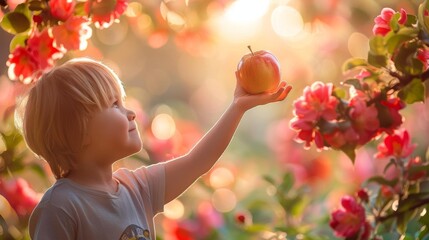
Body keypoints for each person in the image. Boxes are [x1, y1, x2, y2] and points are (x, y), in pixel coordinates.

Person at [21, 57, 292, 239]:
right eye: (114, 105)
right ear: (77, 129)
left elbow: (197, 162)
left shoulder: (136, 188)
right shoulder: (61, 207)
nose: (130, 114)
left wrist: (237, 107)